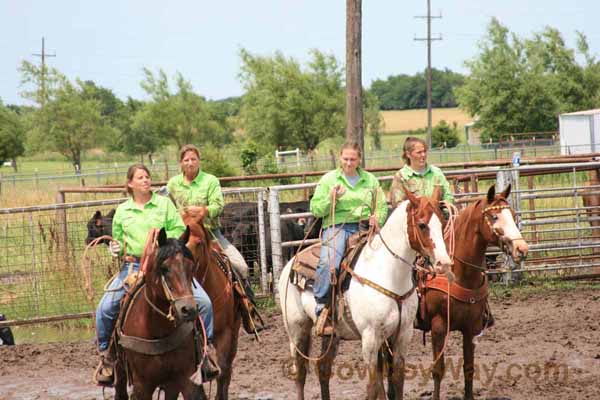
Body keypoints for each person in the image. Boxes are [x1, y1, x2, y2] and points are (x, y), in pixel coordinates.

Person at [94, 164, 219, 386]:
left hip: (166, 266)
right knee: (105, 307)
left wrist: (162, 247)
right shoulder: (122, 211)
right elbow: (118, 241)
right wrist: (115, 249)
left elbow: (177, 231)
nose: (145, 180)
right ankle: (107, 357)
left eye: (147, 177)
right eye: (140, 177)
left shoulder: (164, 205)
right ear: (130, 184)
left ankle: (207, 351)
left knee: (204, 303)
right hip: (132, 267)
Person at [167, 144, 264, 332]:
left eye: (193, 159)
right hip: (182, 236)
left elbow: (218, 205)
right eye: (186, 160)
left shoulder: (210, 181)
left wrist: (204, 211)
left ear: (199, 161)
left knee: (241, 266)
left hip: (210, 233)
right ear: (180, 163)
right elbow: (167, 207)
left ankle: (249, 311)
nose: (190, 163)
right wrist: (180, 215)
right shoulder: (172, 184)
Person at [310, 142, 388, 336]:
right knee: (330, 262)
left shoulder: (370, 180)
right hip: (338, 227)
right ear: (340, 157)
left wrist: (377, 217)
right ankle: (322, 308)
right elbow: (316, 209)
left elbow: (382, 205)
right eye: (345, 159)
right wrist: (331, 199)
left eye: (353, 159)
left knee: (390, 260)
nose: (349, 163)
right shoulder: (329, 180)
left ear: (359, 159)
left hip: (365, 228)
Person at [389, 136, 454, 207]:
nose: (423, 155)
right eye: (419, 152)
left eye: (424, 151)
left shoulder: (436, 172)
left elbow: (448, 196)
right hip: (413, 217)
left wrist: (445, 207)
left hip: (439, 215)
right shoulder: (401, 176)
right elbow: (398, 204)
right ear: (408, 154)